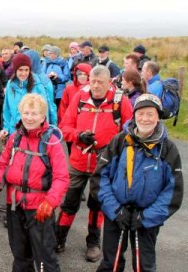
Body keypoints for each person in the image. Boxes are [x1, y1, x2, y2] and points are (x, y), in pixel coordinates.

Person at [95, 94, 183, 272]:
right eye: (140, 113)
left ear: (158, 116)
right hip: (116, 213)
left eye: (150, 114)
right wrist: (115, 210)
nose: (144, 118)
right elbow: (100, 178)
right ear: (134, 115)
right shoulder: (120, 141)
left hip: (146, 219)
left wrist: (146, 218)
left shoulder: (168, 149)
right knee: (110, 264)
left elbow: (173, 192)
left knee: (144, 266)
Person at [55, 65, 134, 262]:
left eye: (100, 82)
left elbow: (131, 132)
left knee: (97, 204)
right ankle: (58, 238)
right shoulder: (79, 98)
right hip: (79, 160)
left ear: (109, 83)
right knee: (69, 202)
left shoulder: (120, 102)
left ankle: (93, 242)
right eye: (92, 81)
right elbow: (64, 127)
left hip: (105, 164)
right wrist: (79, 135)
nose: (96, 86)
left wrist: (112, 148)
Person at [0, 93, 69, 272]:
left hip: (39, 208)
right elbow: (3, 165)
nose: (30, 117)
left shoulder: (51, 142)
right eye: (26, 113)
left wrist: (50, 202)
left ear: (43, 116)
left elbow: (62, 177)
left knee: (46, 258)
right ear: (21, 113)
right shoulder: (15, 139)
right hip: (15, 206)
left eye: (34, 113)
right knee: (20, 256)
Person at [0, 53, 54, 140]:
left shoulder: (38, 85)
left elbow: (44, 111)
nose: (24, 73)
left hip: (34, 134)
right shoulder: (10, 84)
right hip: (14, 132)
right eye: (20, 70)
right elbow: (7, 109)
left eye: (26, 70)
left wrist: (44, 132)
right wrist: (6, 128)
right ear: (15, 70)